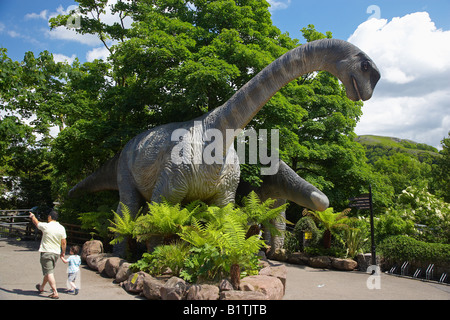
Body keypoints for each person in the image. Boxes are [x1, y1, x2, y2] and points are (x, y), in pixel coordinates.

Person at [29, 210, 67, 299]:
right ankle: (41, 287)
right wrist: (63, 252)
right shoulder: (61, 228)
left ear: (50, 217)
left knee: (49, 273)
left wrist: (32, 216)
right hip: (56, 253)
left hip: (46, 252)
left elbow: (36, 222)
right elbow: (64, 242)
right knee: (49, 271)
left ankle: (55, 292)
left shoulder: (46, 226)